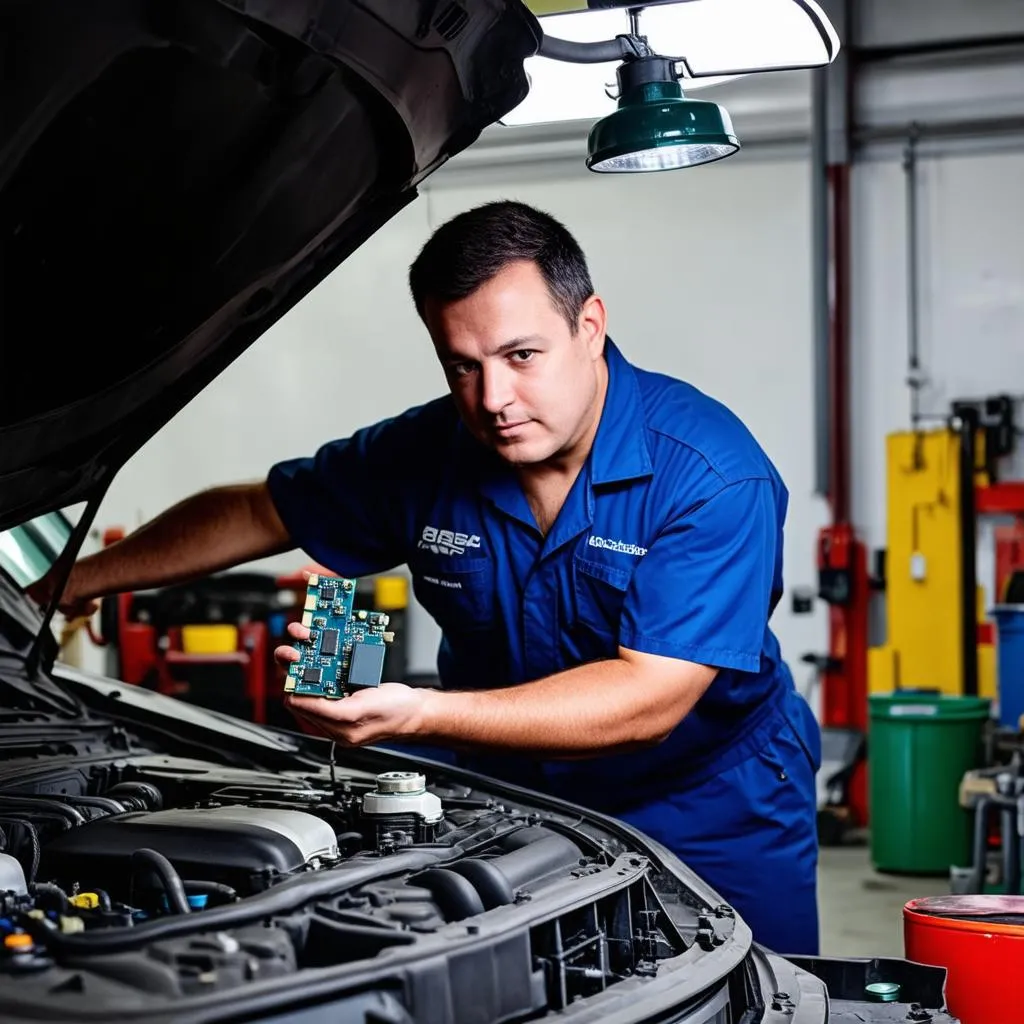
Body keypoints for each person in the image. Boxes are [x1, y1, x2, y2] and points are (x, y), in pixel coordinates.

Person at [32, 200, 821, 954]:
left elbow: (649, 699)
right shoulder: (427, 453)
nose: (493, 400)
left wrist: (416, 714)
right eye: (462, 367)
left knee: (751, 989)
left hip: (712, 797)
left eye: (521, 356)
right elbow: (258, 511)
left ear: (589, 326)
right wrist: (77, 580)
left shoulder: (713, 476)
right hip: (517, 794)